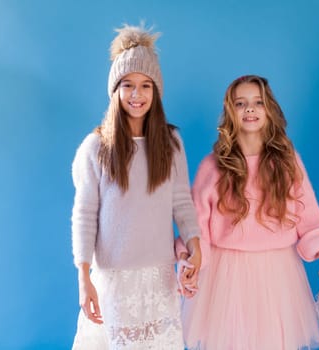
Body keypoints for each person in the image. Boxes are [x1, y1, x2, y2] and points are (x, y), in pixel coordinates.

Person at [177, 75, 319, 350]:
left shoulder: (287, 162)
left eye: (258, 102)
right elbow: (196, 228)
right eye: (241, 103)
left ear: (269, 110)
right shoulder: (213, 166)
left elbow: (309, 218)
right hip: (225, 275)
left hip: (277, 275)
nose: (250, 109)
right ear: (231, 112)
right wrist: (190, 263)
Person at [70, 24, 201, 349]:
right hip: (113, 278)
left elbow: (182, 201)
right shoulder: (96, 147)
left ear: (156, 91)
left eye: (145, 86)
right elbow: (84, 215)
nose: (136, 94)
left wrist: (195, 245)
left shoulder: (171, 143)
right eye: (127, 85)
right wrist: (84, 277)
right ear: (115, 90)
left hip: (158, 278)